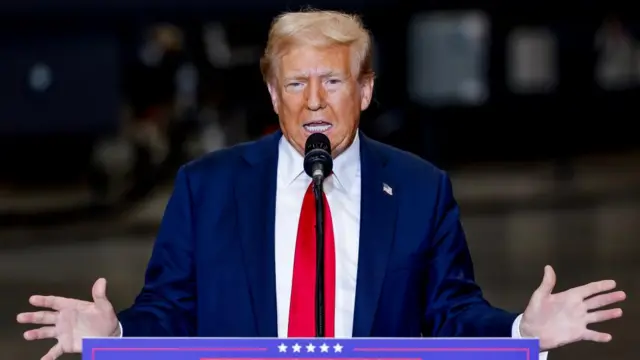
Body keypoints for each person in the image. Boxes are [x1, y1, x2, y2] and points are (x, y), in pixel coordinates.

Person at [17, 9, 625, 360]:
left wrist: (521, 332)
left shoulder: (419, 189)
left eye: (332, 83)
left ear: (363, 91)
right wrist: (115, 336)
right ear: (272, 94)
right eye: (295, 84)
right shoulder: (207, 186)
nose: (313, 103)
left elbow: (451, 313)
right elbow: (171, 312)